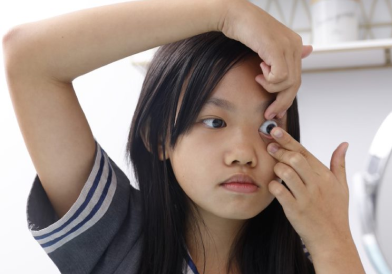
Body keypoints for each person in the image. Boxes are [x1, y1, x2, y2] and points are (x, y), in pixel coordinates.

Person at [3, 0, 365, 273]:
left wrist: (333, 239)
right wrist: (225, 13)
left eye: (268, 126)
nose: (244, 153)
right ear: (158, 136)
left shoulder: (317, 257)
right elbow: (27, 56)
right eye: (214, 122)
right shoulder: (114, 235)